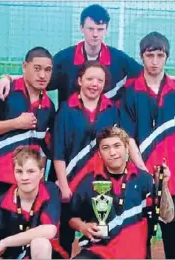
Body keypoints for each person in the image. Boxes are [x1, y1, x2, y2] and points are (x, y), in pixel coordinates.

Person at [0, 4, 175, 105]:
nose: (95, 34)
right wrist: (7, 77)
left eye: (100, 29)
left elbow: (151, 74)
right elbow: (38, 79)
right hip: (69, 132)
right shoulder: (64, 58)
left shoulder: (119, 60)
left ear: (106, 29)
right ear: (81, 28)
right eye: (90, 29)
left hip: (106, 134)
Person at [120, 31, 175, 259]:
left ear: (167, 57)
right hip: (140, 183)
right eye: (150, 55)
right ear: (142, 56)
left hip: (173, 183)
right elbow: (128, 138)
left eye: (160, 55)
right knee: (138, 249)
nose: (155, 61)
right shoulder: (131, 90)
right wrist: (143, 173)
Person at [0, 46, 56, 239]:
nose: (42, 75)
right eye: (37, 68)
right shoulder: (4, 91)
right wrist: (16, 123)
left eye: (47, 70)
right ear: (24, 67)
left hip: (27, 183)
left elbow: (46, 146)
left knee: (21, 238)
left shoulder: (49, 106)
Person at [68, 126, 175, 259]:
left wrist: (163, 185)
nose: (112, 152)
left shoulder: (144, 180)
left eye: (117, 146)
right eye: (105, 148)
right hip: (97, 252)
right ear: (100, 154)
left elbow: (167, 216)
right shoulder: (89, 182)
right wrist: (83, 226)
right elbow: (71, 217)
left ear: (126, 148)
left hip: (134, 255)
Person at [50, 60, 121, 258]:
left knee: (99, 239)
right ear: (80, 80)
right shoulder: (66, 110)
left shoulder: (112, 110)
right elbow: (58, 152)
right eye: (90, 78)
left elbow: (116, 149)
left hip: (100, 186)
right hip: (69, 186)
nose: (94, 84)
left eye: (100, 80)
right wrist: (64, 186)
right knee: (62, 239)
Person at [0, 146, 63, 259]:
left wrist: (5, 242)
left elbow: (49, 230)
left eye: (31, 171)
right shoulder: (1, 203)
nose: (25, 177)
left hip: (49, 255)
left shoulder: (51, 191)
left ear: (41, 173)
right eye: (19, 171)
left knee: (40, 243)